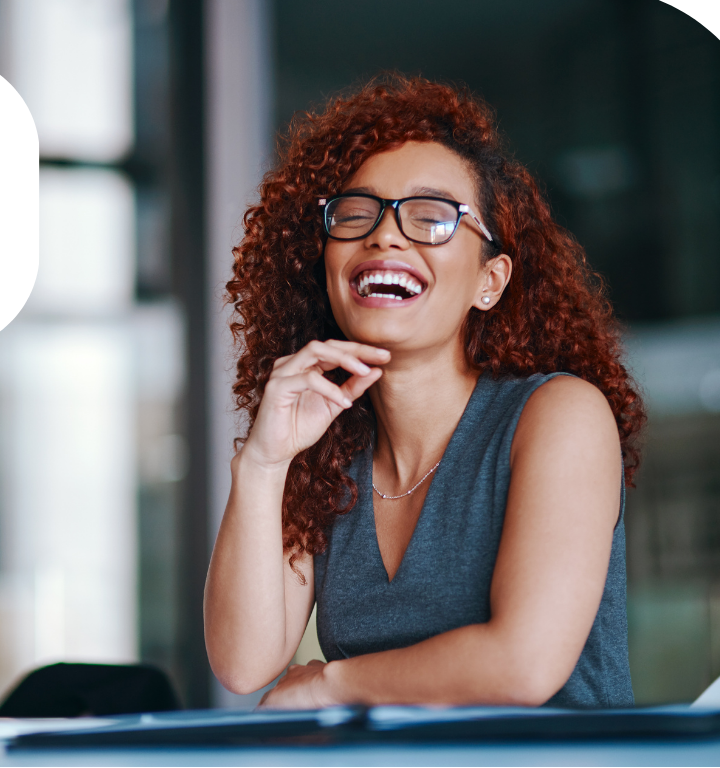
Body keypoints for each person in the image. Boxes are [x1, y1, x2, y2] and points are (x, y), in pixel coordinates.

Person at [203, 74, 644, 709]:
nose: (385, 235)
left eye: (432, 217)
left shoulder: (558, 415)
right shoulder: (328, 452)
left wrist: (332, 685)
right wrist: (264, 463)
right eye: (356, 213)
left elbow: (523, 664)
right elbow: (245, 665)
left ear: (488, 282)